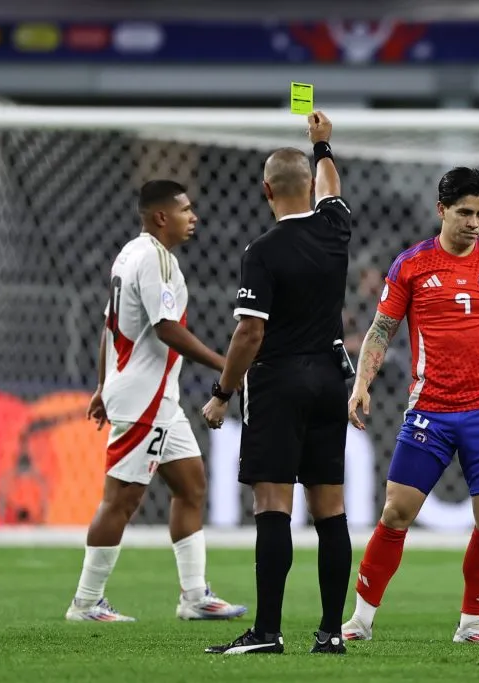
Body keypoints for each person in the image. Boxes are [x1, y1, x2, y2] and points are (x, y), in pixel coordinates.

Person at [340, 167, 479, 645]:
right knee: (396, 512)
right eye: (465, 212)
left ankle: (472, 623)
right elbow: (381, 330)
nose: (474, 223)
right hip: (430, 407)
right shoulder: (411, 264)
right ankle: (360, 621)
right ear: (442, 211)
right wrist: (362, 381)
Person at [204, 111, 353, 655]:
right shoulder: (336, 229)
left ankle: (267, 632)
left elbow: (248, 333)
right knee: (330, 508)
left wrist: (222, 393)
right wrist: (323, 145)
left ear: (266, 189)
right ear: (311, 188)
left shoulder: (262, 252)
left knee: (273, 504)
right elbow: (333, 189)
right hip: (329, 381)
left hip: (280, 380)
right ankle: (331, 632)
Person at [66, 180, 246, 623]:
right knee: (121, 500)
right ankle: (86, 603)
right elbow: (167, 329)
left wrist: (101, 386)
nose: (194, 217)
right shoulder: (155, 260)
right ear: (161, 216)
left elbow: (110, 327)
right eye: (185, 210)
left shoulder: (129, 253)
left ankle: (194, 596)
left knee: (191, 485)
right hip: (144, 398)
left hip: (157, 396)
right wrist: (227, 366)